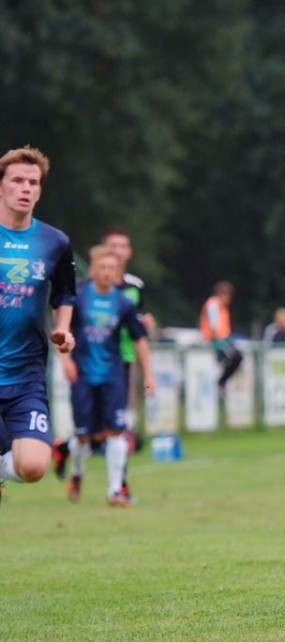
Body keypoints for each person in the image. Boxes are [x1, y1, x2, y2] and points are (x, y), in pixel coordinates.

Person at [0, 145, 76, 508]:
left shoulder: (54, 242)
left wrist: (63, 330)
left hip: (26, 375)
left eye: (33, 182)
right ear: (1, 186)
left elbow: (65, 293)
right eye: (17, 180)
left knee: (33, 467)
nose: (25, 188)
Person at [58, 245, 154, 507]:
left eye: (112, 268)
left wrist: (149, 375)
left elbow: (139, 339)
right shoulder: (78, 296)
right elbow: (61, 329)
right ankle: (77, 473)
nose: (107, 272)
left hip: (113, 375)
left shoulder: (123, 303)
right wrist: (66, 361)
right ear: (93, 269)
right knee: (83, 437)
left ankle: (115, 490)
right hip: (82, 376)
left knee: (115, 431)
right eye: (102, 267)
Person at [199, 280, 242, 395]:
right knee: (236, 357)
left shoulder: (221, 306)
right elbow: (215, 327)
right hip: (215, 341)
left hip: (222, 340)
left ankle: (221, 381)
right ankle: (221, 382)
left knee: (235, 357)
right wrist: (221, 342)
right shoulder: (213, 303)